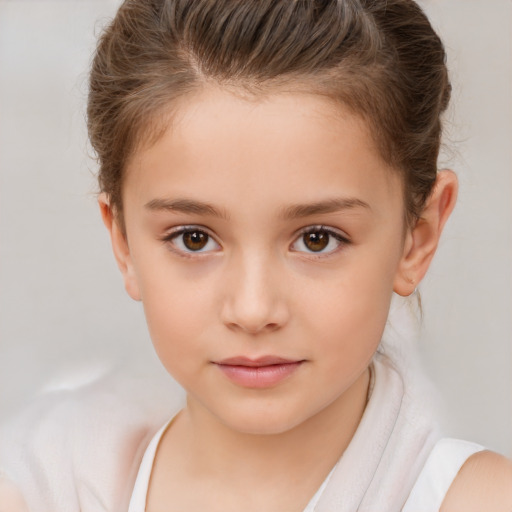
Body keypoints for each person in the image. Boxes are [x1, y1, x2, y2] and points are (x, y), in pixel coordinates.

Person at [1, 0, 511, 510]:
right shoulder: (42, 492)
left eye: (317, 239)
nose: (252, 309)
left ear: (417, 237)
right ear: (123, 243)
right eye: (193, 239)